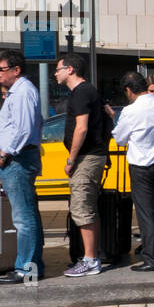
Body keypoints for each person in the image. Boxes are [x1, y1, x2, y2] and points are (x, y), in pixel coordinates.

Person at [0, 50, 45, 284]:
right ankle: (32, 266)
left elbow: (23, 129)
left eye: (0, 69)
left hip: (17, 160)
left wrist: (4, 152)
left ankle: (26, 269)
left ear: (16, 70)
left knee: (24, 217)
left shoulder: (23, 92)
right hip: (15, 158)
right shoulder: (17, 92)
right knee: (27, 214)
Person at [54, 54, 111, 277]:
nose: (55, 74)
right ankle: (90, 257)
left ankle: (90, 260)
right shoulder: (89, 91)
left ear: (70, 70)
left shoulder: (81, 93)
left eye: (58, 69)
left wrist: (71, 159)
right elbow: (110, 114)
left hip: (86, 157)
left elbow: (81, 128)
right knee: (85, 206)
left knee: (82, 207)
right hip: (92, 155)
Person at [112, 71, 154, 271]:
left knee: (147, 213)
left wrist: (114, 119)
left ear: (128, 90)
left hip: (141, 167)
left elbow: (120, 140)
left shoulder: (130, 111)